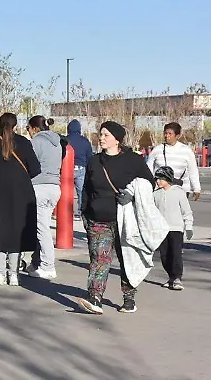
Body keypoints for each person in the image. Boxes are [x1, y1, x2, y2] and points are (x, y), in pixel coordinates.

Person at [78, 121, 155, 315]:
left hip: (125, 221)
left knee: (126, 259)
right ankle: (95, 298)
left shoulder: (133, 160)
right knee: (99, 259)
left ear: (117, 139)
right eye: (100, 134)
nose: (101, 138)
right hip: (98, 220)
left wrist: (131, 194)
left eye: (105, 135)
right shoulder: (94, 161)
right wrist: (85, 212)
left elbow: (148, 183)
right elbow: (86, 189)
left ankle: (129, 298)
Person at [0, 113, 41, 287]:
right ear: (15, 126)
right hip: (20, 194)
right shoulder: (24, 143)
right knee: (15, 234)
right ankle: (13, 275)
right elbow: (35, 169)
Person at [25, 116, 62, 280]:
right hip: (54, 186)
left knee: (42, 229)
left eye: (28, 129)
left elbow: (29, 164)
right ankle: (38, 262)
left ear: (34, 128)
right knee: (43, 226)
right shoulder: (58, 142)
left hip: (39, 186)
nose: (28, 132)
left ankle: (48, 266)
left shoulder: (36, 142)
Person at [153, 166, 194, 291]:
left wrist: (189, 226)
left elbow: (186, 211)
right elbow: (152, 212)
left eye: (160, 179)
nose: (158, 181)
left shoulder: (178, 192)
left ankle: (177, 278)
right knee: (164, 255)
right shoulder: (155, 194)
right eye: (157, 179)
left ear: (167, 178)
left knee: (176, 254)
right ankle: (171, 277)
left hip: (176, 228)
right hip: (162, 229)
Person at [146, 122, 201, 201]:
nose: (166, 136)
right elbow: (148, 169)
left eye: (170, 134)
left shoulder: (186, 150)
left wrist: (196, 188)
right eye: (165, 133)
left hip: (182, 190)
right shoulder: (157, 149)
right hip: (160, 190)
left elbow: (193, 170)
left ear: (177, 136)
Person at [67, 120, 93, 216]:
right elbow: (89, 156)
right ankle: (80, 212)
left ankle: (66, 211)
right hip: (81, 168)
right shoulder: (85, 141)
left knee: (66, 192)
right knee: (81, 192)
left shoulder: (65, 140)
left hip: (67, 169)